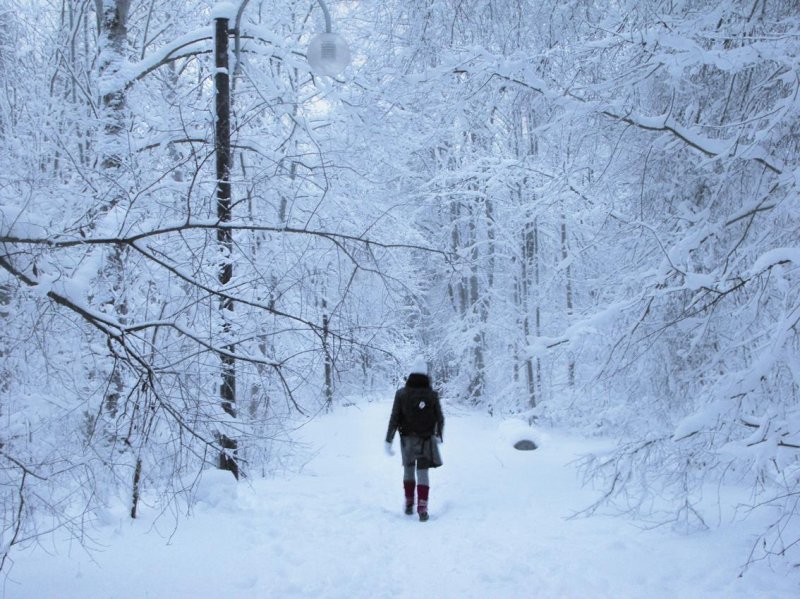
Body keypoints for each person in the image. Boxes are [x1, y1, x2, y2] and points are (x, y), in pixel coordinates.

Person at [385, 357, 444, 521]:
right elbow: (440, 417)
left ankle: (409, 502)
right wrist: (439, 434)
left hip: (407, 439)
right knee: (423, 472)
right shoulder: (432, 394)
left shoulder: (401, 394)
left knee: (409, 469)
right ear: (425, 373)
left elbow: (394, 417)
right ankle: (423, 507)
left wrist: (388, 440)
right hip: (426, 439)